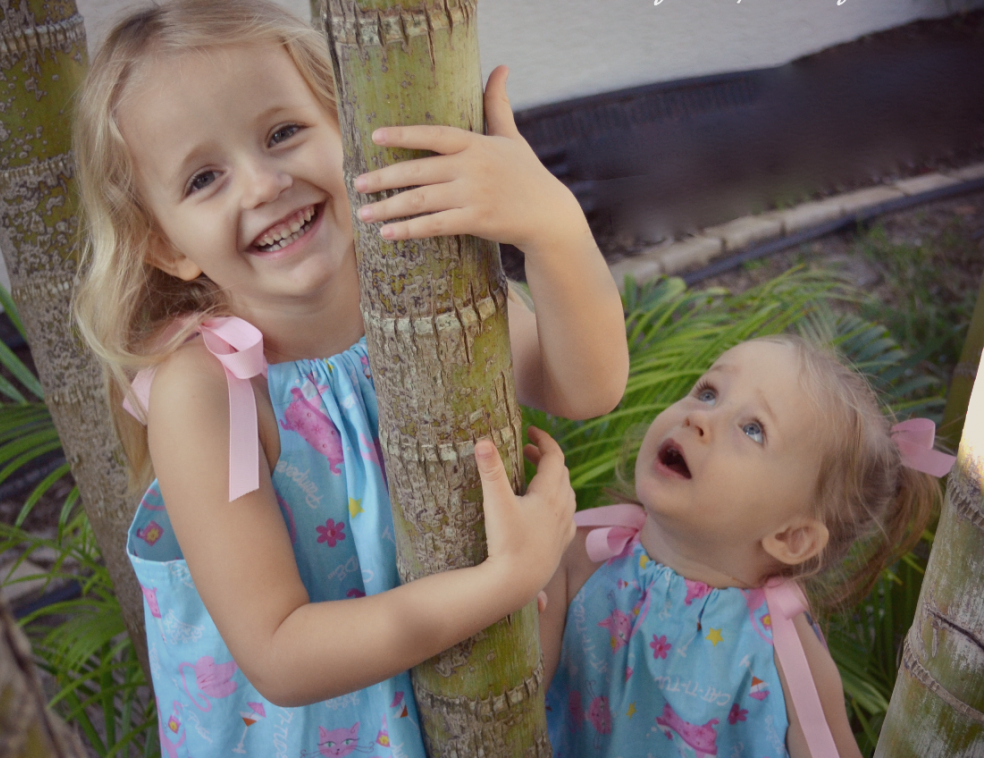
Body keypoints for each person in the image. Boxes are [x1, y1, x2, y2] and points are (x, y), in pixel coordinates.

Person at [72, 1, 629, 755]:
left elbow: (584, 386)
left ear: (347, 128)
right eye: (204, 177)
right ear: (164, 244)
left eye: (282, 132)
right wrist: (508, 579)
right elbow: (279, 652)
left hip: (476, 691)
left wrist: (553, 227)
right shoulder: (209, 391)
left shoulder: (427, 288)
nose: (264, 183)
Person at [540, 335, 954, 758]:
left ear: (792, 537)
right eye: (708, 392)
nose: (699, 418)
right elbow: (511, 687)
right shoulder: (586, 554)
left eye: (753, 429)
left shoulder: (788, 656)